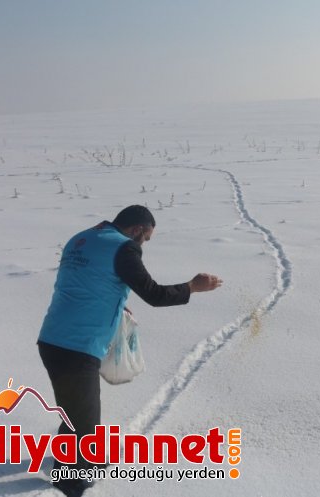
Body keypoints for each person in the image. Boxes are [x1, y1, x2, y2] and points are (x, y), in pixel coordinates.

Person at [37, 205, 222, 496]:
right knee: (83, 420)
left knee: (76, 409)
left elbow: (83, 281)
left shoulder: (82, 238)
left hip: (53, 338)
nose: (144, 244)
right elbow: (154, 294)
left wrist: (113, 301)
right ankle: (69, 482)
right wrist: (192, 287)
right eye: (146, 238)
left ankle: (79, 460)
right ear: (137, 230)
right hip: (77, 346)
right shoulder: (124, 249)